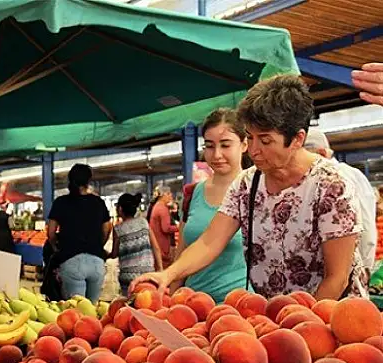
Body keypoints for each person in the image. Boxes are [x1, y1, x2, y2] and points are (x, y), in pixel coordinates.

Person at [130, 75, 366, 301]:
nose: (253, 150)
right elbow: (209, 242)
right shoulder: (247, 183)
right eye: (250, 138)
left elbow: (337, 278)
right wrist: (168, 274)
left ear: (297, 139)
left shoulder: (331, 185)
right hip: (273, 316)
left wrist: (303, 324)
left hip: (330, 317)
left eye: (265, 141)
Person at [175, 108, 249, 303]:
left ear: (244, 144)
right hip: (192, 308)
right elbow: (181, 255)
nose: (216, 155)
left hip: (241, 309)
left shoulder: (257, 191)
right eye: (209, 146)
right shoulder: (192, 194)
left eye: (225, 145)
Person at [304, 128, 378, 276]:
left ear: (323, 153)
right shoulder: (306, 181)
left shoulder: (347, 175)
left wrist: (364, 269)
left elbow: (366, 228)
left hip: (347, 275)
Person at [48, 164, 111, 302]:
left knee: (75, 314)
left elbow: (51, 232)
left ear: (69, 180)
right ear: (89, 181)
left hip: (71, 261)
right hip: (96, 263)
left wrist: (56, 248)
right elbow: (107, 228)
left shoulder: (61, 202)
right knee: (92, 312)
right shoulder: (98, 202)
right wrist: (98, 244)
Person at [110, 193, 162, 296]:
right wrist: (160, 269)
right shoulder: (143, 222)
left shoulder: (118, 229)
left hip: (128, 277)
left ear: (120, 209)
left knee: (129, 306)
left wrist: (104, 254)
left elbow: (114, 254)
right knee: (147, 305)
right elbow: (155, 247)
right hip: (147, 274)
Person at [149, 187, 179, 268]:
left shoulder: (157, 206)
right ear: (164, 195)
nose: (171, 196)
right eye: (169, 194)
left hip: (157, 246)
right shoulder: (162, 208)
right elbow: (166, 228)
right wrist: (179, 227)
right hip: (162, 247)